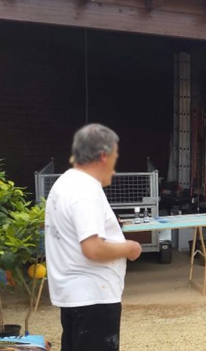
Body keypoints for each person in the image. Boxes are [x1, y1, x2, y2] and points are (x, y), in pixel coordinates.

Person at [45, 124, 142, 351]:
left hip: (77, 296)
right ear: (103, 156)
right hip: (93, 298)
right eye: (115, 156)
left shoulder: (65, 184)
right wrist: (130, 248)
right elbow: (93, 248)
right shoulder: (85, 191)